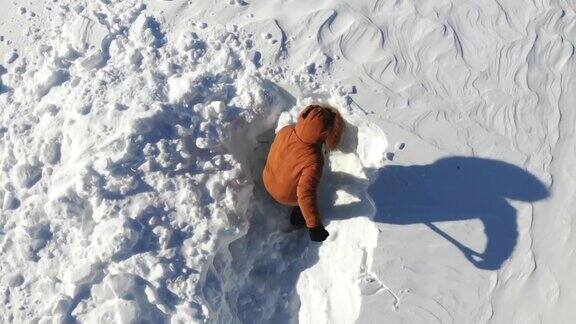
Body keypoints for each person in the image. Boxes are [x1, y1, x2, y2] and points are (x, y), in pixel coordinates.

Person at [262, 105, 344, 242]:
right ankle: (298, 218)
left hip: (267, 178)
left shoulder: (286, 130)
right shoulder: (314, 160)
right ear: (325, 134)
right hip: (284, 196)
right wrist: (315, 226)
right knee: (303, 199)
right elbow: (306, 194)